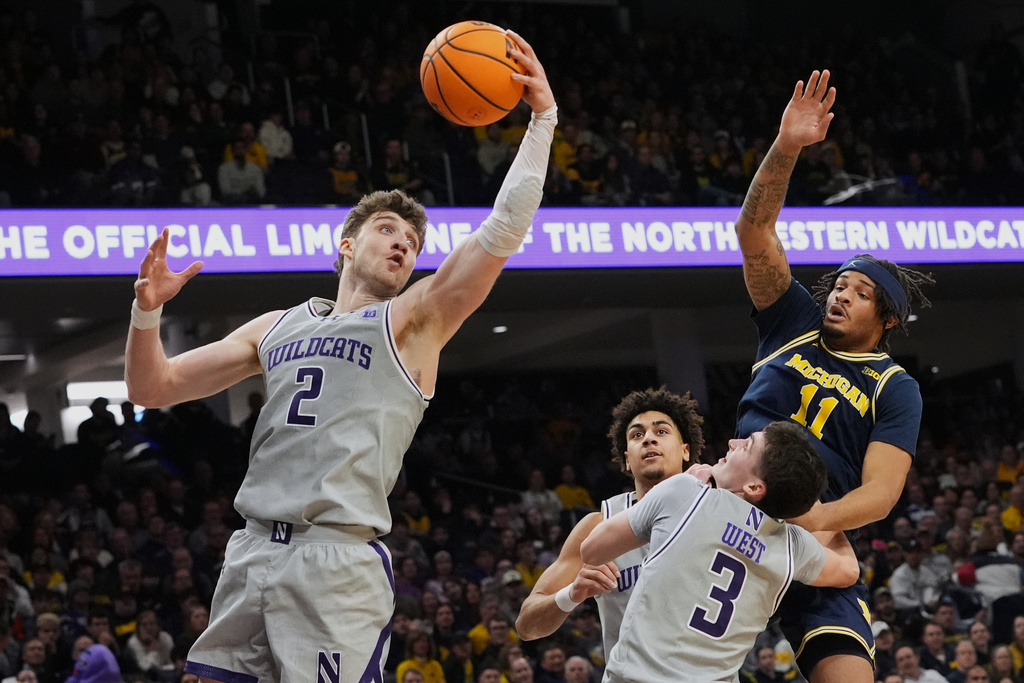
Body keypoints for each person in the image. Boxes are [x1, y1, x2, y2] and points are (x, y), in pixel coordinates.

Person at [124, 31, 556, 683]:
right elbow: (152, 389)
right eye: (387, 230)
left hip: (335, 563)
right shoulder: (277, 325)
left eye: (412, 240)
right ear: (347, 245)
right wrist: (147, 312)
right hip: (250, 553)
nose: (403, 244)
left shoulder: (412, 321)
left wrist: (543, 122)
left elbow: (500, 232)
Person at [732, 69, 934, 683]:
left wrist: (812, 518)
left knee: (848, 672)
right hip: (734, 507)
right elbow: (753, 231)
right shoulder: (791, 319)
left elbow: (881, 493)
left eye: (860, 292)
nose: (841, 297)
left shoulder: (893, 386)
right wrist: (787, 145)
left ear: (888, 317)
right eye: (840, 286)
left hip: (813, 526)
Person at [580, 421, 859, 683]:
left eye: (747, 445)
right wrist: (818, 513)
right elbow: (849, 571)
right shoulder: (794, 546)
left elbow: (591, 550)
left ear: (754, 487)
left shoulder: (686, 492)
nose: (733, 442)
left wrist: (670, 490)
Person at [516, 387, 705, 665]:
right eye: (637, 435)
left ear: (685, 450)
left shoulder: (718, 511)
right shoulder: (598, 526)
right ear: (627, 459)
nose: (649, 438)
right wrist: (573, 594)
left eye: (661, 432)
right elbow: (527, 626)